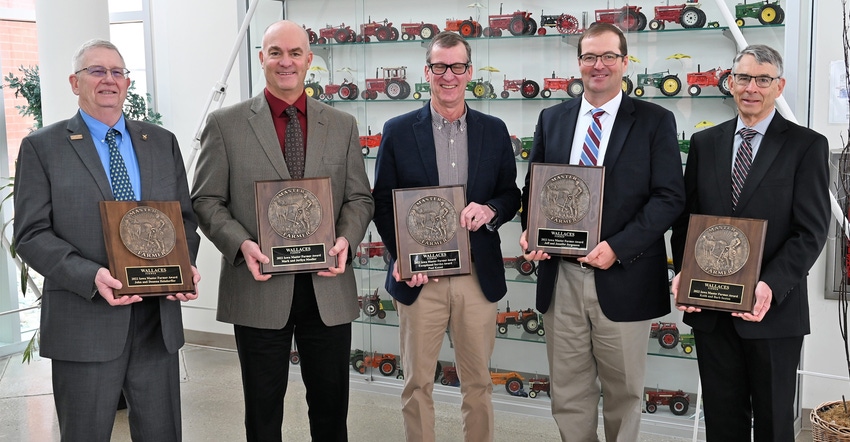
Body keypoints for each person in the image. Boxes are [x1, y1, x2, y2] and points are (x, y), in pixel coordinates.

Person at [191, 20, 373, 441]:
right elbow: (204, 200)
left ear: (310, 60)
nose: (285, 61)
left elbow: (359, 199)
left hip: (326, 287)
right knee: (262, 412)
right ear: (262, 59)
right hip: (257, 286)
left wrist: (345, 239)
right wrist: (242, 245)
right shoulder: (225, 124)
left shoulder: (342, 124)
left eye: (295, 53)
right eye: (275, 52)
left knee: (330, 412)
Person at [13, 39, 200, 442]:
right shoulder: (42, 148)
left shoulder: (161, 142)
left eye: (118, 72)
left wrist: (184, 266)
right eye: (96, 71)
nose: (109, 80)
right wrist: (91, 275)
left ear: (127, 82)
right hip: (85, 322)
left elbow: (183, 220)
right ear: (74, 82)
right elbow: (30, 234)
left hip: (156, 323)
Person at [518, 23, 685, 441]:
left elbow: (669, 197)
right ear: (578, 63)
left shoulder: (655, 121)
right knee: (569, 392)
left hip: (623, 276)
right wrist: (530, 233)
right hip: (561, 278)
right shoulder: (552, 118)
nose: (599, 65)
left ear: (624, 63)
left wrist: (617, 247)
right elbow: (534, 188)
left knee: (624, 394)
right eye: (590, 57)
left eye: (609, 56)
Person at [671, 44, 829, 442]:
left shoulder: (806, 146)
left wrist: (769, 286)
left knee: (775, 424)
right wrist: (682, 275)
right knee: (723, 424)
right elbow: (687, 223)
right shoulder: (705, 144)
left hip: (772, 313)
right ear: (731, 82)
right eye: (743, 78)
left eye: (763, 79)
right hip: (711, 309)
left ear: (779, 86)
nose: (751, 88)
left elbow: (810, 231)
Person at [372, 31, 520, 442]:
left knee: (479, 384)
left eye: (457, 66)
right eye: (440, 67)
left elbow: (511, 194)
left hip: (477, 276)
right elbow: (382, 201)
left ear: (469, 71)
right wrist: (400, 255)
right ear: (427, 72)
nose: (449, 75)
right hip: (420, 280)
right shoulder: (398, 130)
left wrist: (491, 209)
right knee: (417, 384)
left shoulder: (494, 130)